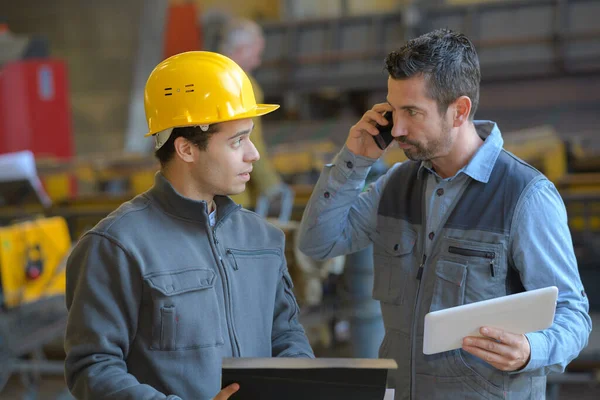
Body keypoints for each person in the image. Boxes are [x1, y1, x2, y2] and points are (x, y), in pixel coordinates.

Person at [297, 28, 591, 399]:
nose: (397, 129)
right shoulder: (395, 184)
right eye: (393, 110)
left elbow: (572, 313)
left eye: (413, 112)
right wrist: (352, 161)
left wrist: (532, 350)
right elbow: (317, 243)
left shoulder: (525, 196)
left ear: (460, 111)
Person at [64, 51, 314, 400]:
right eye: (237, 140)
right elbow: (93, 368)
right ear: (185, 149)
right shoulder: (117, 245)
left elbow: (287, 338)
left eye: (250, 137)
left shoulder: (262, 237)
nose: (253, 154)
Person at [216, 18, 286, 212]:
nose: (258, 60)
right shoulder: (244, 84)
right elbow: (249, 141)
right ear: (241, 50)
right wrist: (270, 184)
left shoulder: (208, 77)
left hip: (205, 191)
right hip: (233, 194)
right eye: (256, 52)